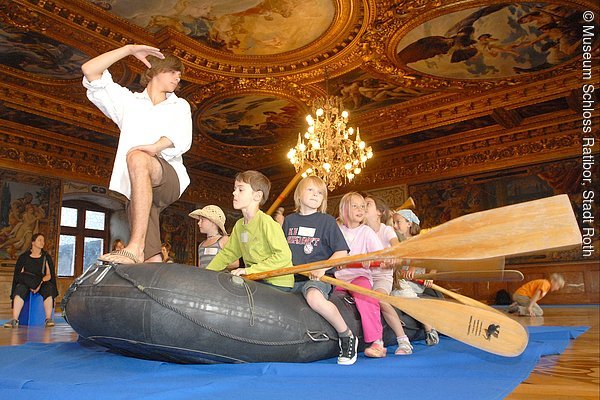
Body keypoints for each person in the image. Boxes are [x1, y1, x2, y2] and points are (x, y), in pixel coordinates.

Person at [82, 44, 192, 264]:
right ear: (155, 71)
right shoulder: (128, 103)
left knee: (138, 158)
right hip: (138, 188)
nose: (177, 77)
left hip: (169, 178)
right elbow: (89, 70)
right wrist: (129, 50)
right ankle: (142, 256)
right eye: (173, 71)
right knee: (151, 260)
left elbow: (181, 138)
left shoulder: (179, 106)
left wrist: (154, 147)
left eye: (179, 74)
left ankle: (133, 247)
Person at [282, 176, 357, 365]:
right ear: (299, 194)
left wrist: (323, 268)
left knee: (314, 298)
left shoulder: (327, 221)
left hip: (319, 278)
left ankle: (346, 335)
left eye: (320, 193)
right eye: (310, 190)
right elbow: (280, 252)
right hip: (291, 278)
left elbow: (341, 252)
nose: (315, 195)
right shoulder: (289, 221)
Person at [206, 171, 294, 291]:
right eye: (235, 189)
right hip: (256, 278)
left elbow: (284, 256)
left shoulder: (266, 222)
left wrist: (249, 270)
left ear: (257, 196)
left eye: (240, 190)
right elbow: (228, 254)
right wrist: (205, 273)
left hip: (276, 282)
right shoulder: (239, 225)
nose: (234, 192)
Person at [335, 192, 387, 358]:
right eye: (355, 206)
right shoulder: (336, 230)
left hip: (358, 276)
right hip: (337, 278)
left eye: (363, 206)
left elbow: (379, 255)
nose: (360, 209)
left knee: (367, 298)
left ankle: (377, 342)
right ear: (344, 209)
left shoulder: (366, 232)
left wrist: (369, 260)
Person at [363, 195, 413, 355]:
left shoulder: (386, 230)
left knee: (379, 299)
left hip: (382, 277)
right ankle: (376, 341)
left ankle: (403, 340)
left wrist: (393, 255)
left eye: (368, 204)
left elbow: (395, 245)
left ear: (379, 212)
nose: (363, 207)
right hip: (365, 276)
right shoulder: (362, 231)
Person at [391, 208, 440, 346]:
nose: (395, 226)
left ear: (409, 223)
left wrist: (431, 276)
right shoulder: (398, 242)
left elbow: (433, 259)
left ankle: (429, 327)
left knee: (399, 292)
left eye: (398, 222)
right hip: (402, 280)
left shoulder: (418, 241)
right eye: (394, 222)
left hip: (413, 283)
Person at [4, 233, 58, 328]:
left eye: (43, 240)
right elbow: (20, 274)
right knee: (19, 289)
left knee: (49, 289)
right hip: (27, 282)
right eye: (39, 240)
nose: (42, 242)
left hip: (41, 282)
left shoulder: (46, 257)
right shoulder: (24, 257)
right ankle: (14, 319)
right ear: (33, 242)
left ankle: (48, 319)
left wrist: (39, 283)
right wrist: (31, 284)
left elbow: (49, 275)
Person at [189, 205, 238, 269]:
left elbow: (235, 263)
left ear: (212, 222)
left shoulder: (224, 240)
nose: (199, 223)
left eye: (202, 220)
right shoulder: (201, 245)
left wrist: (216, 264)